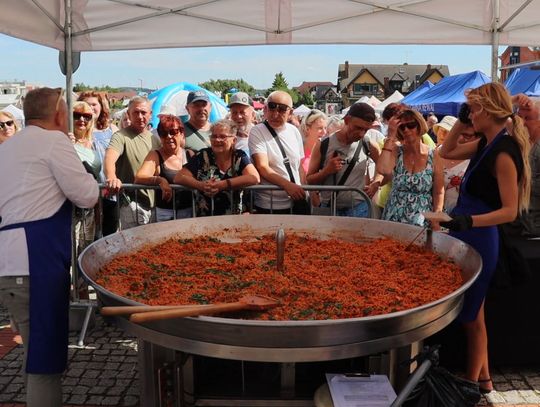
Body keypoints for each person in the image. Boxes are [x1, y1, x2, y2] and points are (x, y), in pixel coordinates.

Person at [0, 87, 99, 407]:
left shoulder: (8, 147)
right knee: (44, 361)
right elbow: (86, 195)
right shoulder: (55, 141)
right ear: (58, 114)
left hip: (10, 261)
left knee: (35, 351)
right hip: (36, 262)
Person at [437, 82, 530, 393]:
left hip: (481, 237)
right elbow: (446, 152)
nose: (472, 115)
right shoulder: (484, 144)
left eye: (475, 109)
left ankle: (469, 384)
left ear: (491, 110)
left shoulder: (504, 151)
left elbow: (510, 211)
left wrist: (468, 220)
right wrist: (462, 120)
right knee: (475, 315)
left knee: (471, 316)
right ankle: (485, 381)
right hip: (467, 232)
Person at [307, 103, 382, 217]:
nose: (361, 134)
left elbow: (383, 168)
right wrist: (326, 171)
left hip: (359, 209)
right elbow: (309, 180)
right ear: (347, 120)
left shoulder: (368, 144)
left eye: (366, 130)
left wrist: (375, 184)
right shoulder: (324, 145)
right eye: (358, 128)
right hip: (330, 209)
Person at [174, 119, 259, 216]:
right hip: (205, 218)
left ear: (234, 140)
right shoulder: (203, 155)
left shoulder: (239, 156)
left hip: (235, 218)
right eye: (214, 136)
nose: (217, 140)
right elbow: (179, 177)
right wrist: (200, 185)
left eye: (223, 137)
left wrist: (223, 185)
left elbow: (254, 177)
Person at [378, 109, 444, 226]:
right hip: (393, 216)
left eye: (411, 125)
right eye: (402, 127)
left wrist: (436, 219)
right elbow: (383, 170)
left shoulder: (434, 155)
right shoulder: (396, 151)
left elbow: (438, 191)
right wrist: (391, 136)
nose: (406, 130)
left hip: (421, 219)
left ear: (419, 126)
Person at [104, 96, 160, 230]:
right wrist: (111, 177)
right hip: (131, 204)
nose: (140, 116)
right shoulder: (120, 136)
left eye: (144, 112)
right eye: (136, 112)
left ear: (150, 115)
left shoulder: (155, 139)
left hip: (155, 206)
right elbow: (109, 158)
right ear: (128, 114)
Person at [248, 91, 308, 214]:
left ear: (290, 113)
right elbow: (262, 167)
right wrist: (288, 186)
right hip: (269, 205)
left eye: (282, 109)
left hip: (296, 201)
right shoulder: (257, 131)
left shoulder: (294, 131)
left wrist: (305, 191)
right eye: (272, 107)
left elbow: (299, 166)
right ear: (265, 108)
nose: (275, 113)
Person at [135, 115, 193, 221]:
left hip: (189, 213)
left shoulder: (190, 154)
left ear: (181, 134)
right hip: (165, 216)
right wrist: (160, 180)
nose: (169, 136)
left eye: (173, 132)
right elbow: (139, 177)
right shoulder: (155, 155)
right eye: (164, 133)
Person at [77, 91, 119, 236]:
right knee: (89, 234)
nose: (91, 108)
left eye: (94, 104)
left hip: (108, 188)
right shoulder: (77, 131)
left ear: (101, 107)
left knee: (110, 232)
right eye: (87, 105)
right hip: (89, 191)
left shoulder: (111, 129)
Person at [511, 94, 540, 236]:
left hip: (534, 234)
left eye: (527, 118)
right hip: (514, 230)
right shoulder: (515, 145)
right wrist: (513, 100)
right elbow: (492, 113)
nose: (521, 123)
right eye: (519, 117)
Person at [300, 109, 328, 173]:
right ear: (307, 129)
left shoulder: (327, 153)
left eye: (325, 128)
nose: (324, 132)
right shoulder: (297, 153)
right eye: (320, 128)